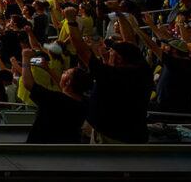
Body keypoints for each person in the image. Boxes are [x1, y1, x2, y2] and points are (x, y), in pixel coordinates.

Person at [70, 12, 152, 143]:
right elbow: (130, 44)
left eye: (111, 52)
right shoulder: (143, 71)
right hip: (136, 134)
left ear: (119, 59)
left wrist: (71, 21)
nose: (108, 53)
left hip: (110, 138)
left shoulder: (109, 74)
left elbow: (81, 50)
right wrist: (120, 14)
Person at [20, 48, 89, 143]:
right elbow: (67, 92)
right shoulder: (84, 102)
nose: (63, 72)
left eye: (66, 73)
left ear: (68, 82)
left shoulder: (53, 99)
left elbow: (28, 84)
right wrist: (48, 69)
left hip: (41, 147)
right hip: (69, 148)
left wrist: (25, 58)